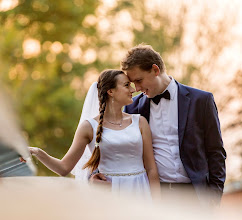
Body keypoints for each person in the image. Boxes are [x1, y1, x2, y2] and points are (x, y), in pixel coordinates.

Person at [91, 44, 226, 206]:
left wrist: (215, 194)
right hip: (154, 194)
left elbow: (216, 151)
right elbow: (114, 144)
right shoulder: (132, 108)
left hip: (196, 196)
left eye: (139, 81)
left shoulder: (201, 100)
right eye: (133, 83)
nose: (137, 89)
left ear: (155, 70)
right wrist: (95, 174)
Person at [22, 69, 161, 200]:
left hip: (140, 192)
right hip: (108, 195)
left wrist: (157, 206)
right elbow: (64, 168)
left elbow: (151, 169)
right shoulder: (89, 127)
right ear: (111, 91)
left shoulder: (140, 122)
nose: (133, 90)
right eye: (126, 85)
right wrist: (37, 152)